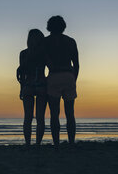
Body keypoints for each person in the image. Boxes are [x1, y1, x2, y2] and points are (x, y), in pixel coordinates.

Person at [41, 16, 79, 146]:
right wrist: (74, 79)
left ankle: (56, 144)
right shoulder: (71, 41)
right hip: (68, 75)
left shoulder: (45, 42)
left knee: (54, 113)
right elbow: (77, 64)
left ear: (49, 26)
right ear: (63, 26)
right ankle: (71, 143)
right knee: (70, 113)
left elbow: (43, 62)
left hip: (54, 76)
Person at [16, 29, 47, 146]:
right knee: (40, 118)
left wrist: (21, 89)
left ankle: (28, 143)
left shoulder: (23, 53)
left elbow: (22, 74)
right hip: (41, 85)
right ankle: (38, 144)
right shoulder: (44, 53)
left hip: (28, 86)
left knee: (27, 118)